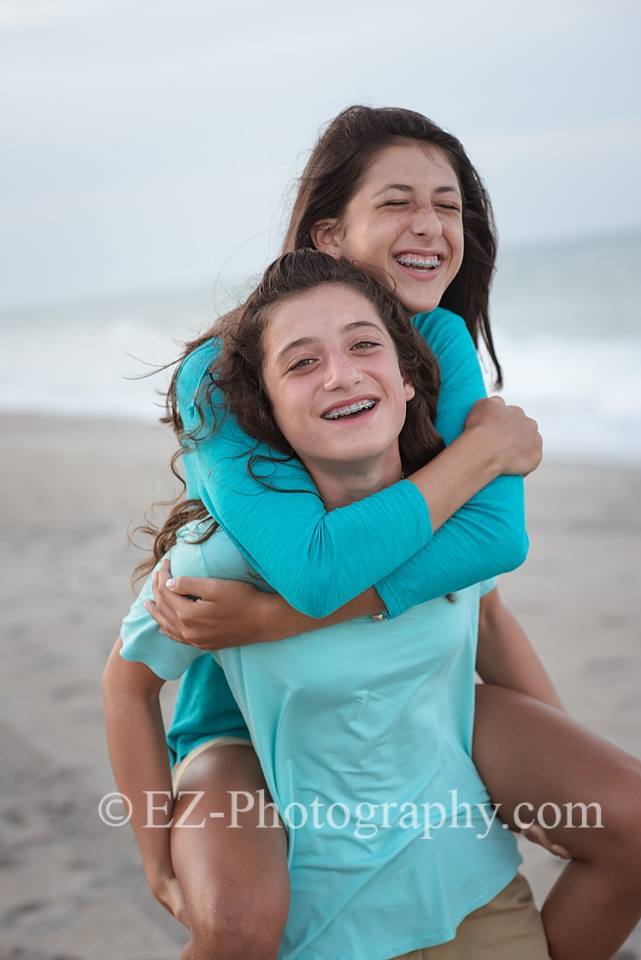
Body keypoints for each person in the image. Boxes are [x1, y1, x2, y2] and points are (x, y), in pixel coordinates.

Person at [105, 106, 641, 960]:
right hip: (245, 703)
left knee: (626, 819)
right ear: (329, 231)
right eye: (396, 202)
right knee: (238, 923)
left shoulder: (437, 341)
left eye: (449, 203)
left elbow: (492, 546)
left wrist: (550, 754)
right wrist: (487, 448)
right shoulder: (226, 369)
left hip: (414, 671)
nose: (429, 226)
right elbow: (312, 570)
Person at [105, 249, 552, 960]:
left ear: (409, 382)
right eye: (302, 363)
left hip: (464, 881)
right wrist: (154, 852)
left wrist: (555, 790)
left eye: (364, 346)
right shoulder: (225, 559)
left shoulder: (453, 518)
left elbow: (489, 616)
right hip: (313, 907)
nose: (340, 374)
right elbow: (127, 682)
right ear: (269, 413)